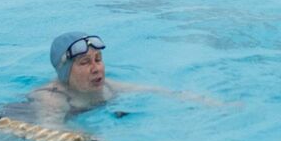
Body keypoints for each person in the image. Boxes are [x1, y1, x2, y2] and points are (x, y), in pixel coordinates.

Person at [17, 31, 206, 125]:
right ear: (65, 73)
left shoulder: (107, 86)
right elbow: (53, 131)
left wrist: (201, 101)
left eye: (98, 60)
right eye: (85, 62)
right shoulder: (51, 98)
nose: (95, 68)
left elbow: (153, 90)